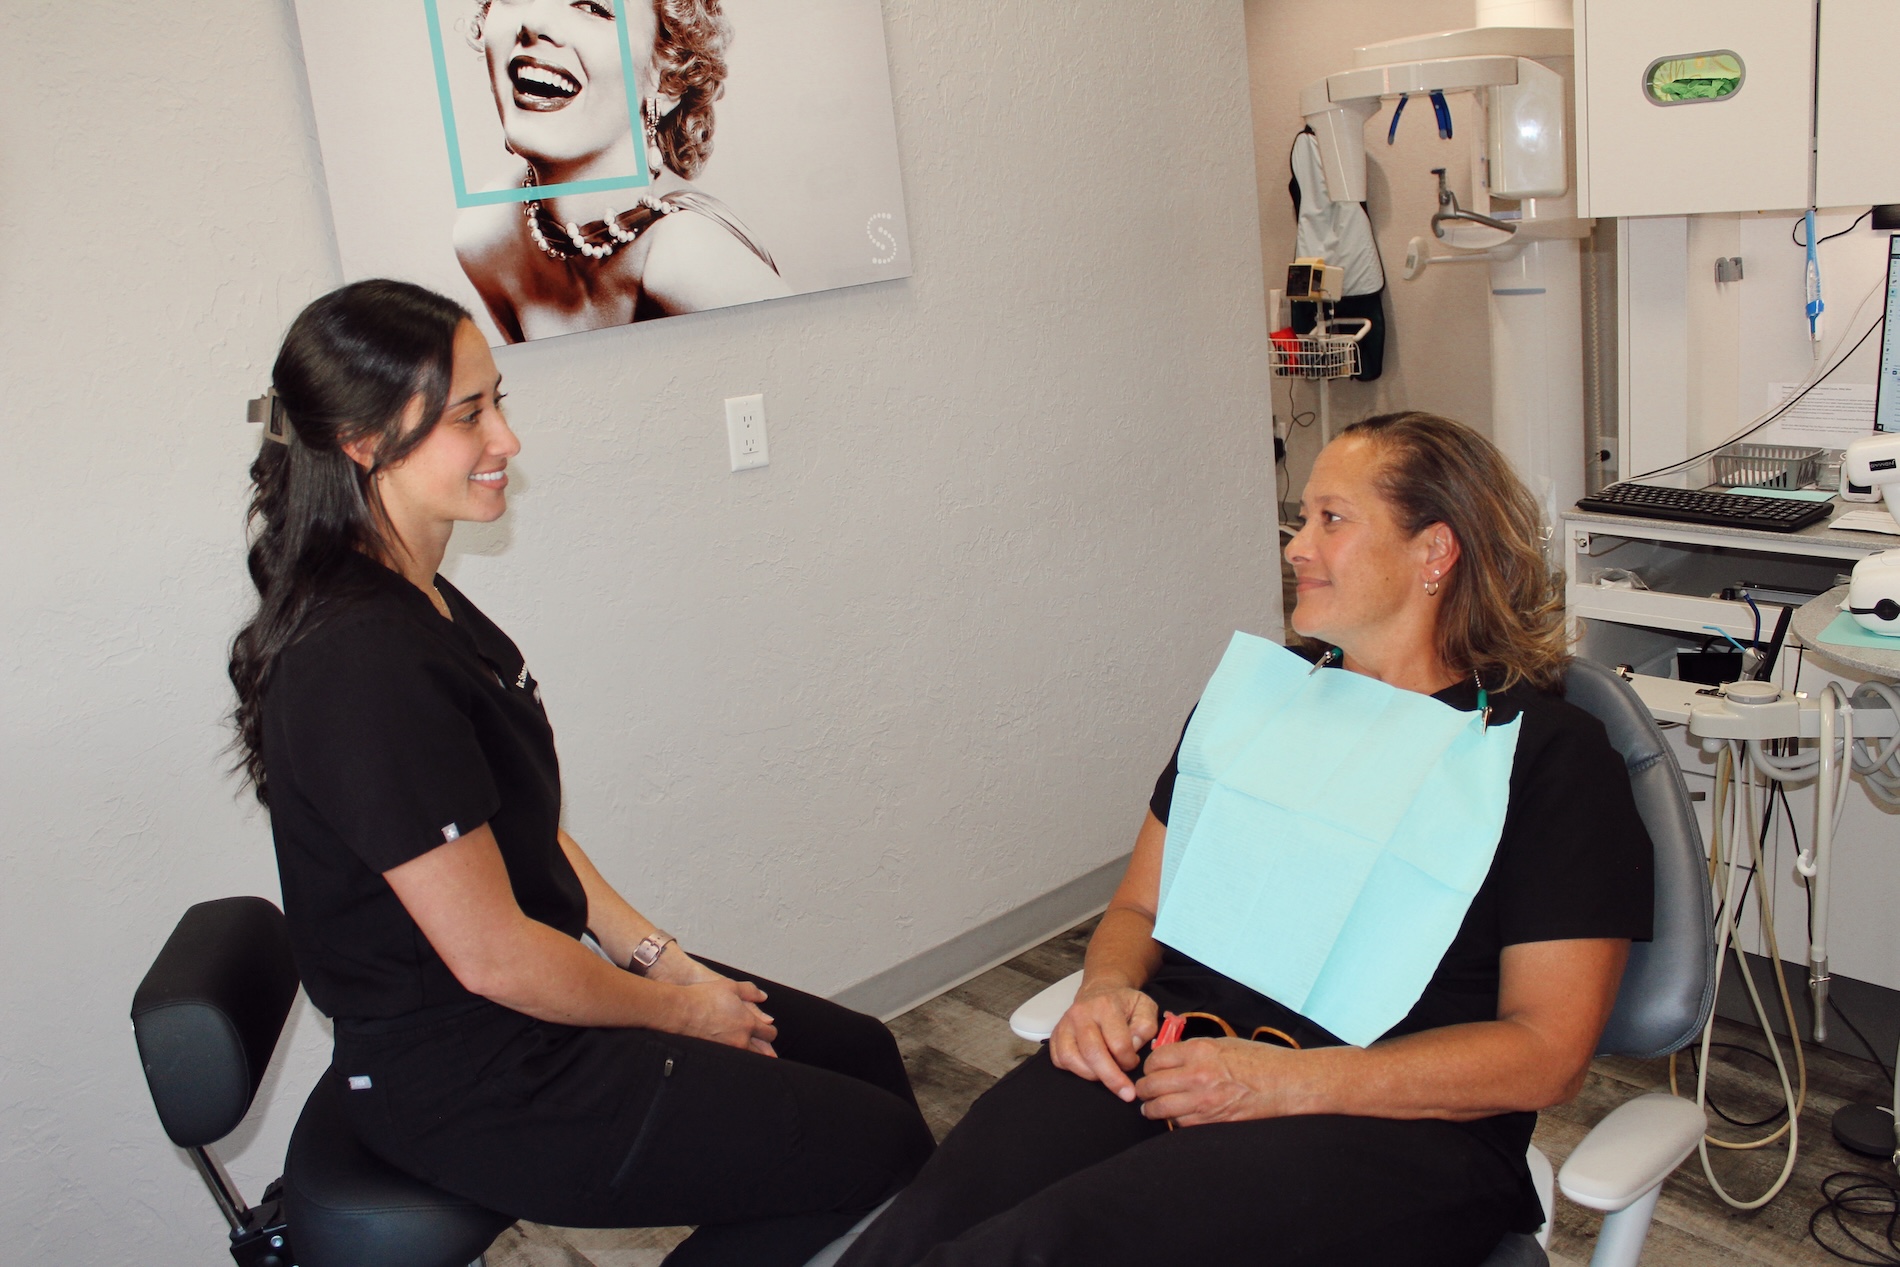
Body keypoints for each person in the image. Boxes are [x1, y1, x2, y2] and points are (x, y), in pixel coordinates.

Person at [836, 412, 1654, 1267]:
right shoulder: (1257, 712)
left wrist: (1285, 1082)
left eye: (1331, 519)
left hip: (1387, 1121)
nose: (1298, 545)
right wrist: (1107, 988)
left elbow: (1547, 1053)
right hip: (1169, 1047)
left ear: (1434, 552)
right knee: (922, 1229)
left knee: (1047, 1247)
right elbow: (1141, 903)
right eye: (1302, 519)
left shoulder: (1547, 757)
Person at [228, 279, 932, 1267]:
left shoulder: (416, 597)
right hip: (476, 1079)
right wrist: (683, 1013)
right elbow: (497, 958)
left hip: (514, 1019)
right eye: (469, 414)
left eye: (497, 400)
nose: (506, 439)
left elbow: (519, 822)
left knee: (859, 1053)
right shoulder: (360, 659)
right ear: (360, 440)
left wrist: (659, 957)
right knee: (880, 1147)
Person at [452, 0, 790, 341]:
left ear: (668, 77)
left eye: (592, 6)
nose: (535, 22)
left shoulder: (687, 258)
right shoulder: (486, 237)